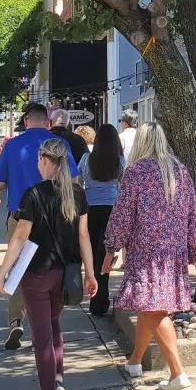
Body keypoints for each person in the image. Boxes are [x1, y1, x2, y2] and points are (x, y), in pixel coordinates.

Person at [0, 139, 96, 390]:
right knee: (53, 324)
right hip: (66, 273)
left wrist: (3, 272)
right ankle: (57, 378)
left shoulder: (33, 194)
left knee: (41, 334)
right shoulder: (77, 193)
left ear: (45, 161)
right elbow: (84, 236)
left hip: (37, 273)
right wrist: (90, 272)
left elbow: (19, 237)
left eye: (40, 159)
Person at [103, 122, 196, 390]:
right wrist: (195, 241)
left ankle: (177, 373)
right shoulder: (179, 169)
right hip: (173, 251)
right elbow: (193, 208)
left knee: (155, 308)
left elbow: (122, 214)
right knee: (150, 306)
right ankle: (135, 361)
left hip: (145, 252)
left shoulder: (136, 172)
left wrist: (111, 248)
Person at [0, 102, 78, 350]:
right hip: (54, 216)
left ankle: (16, 319)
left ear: (27, 120)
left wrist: (5, 188)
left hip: (20, 216)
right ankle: (46, 325)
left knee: (19, 268)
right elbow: (72, 178)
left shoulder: (12, 145)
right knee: (51, 268)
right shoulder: (58, 145)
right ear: (48, 121)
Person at [78, 124, 124, 316]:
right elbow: (122, 183)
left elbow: (78, 180)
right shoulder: (119, 160)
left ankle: (94, 296)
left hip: (90, 209)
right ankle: (101, 299)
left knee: (90, 255)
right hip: (111, 210)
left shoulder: (86, 159)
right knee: (105, 256)